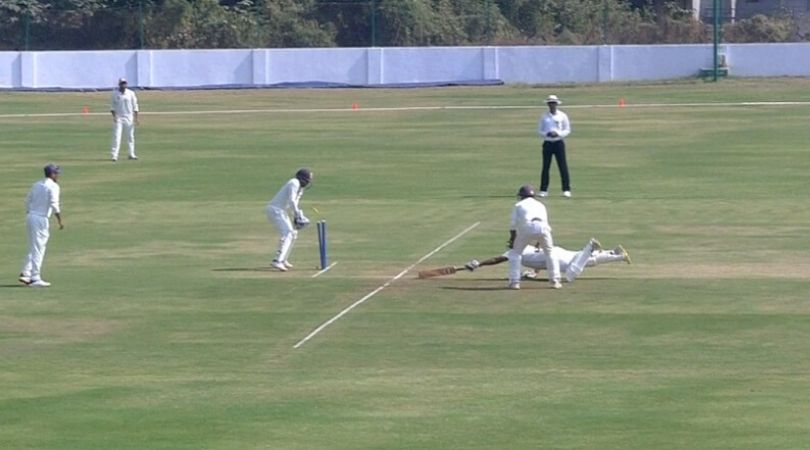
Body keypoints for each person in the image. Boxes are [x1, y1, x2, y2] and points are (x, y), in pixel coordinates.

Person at [462, 238, 631, 282]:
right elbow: (538, 255)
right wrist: (534, 273)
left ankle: (590, 246)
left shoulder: (514, 251)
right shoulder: (526, 245)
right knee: (587, 262)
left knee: (571, 275)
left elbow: (497, 259)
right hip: (556, 252)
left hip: (556, 260)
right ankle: (616, 254)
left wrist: (478, 264)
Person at [507, 184, 560, 290]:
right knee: (550, 253)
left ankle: (514, 282)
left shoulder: (518, 205)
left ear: (521, 195)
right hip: (543, 229)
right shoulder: (541, 205)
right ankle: (555, 280)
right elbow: (545, 223)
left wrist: (512, 239)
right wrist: (540, 241)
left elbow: (513, 225)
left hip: (527, 227)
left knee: (515, 254)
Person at [19, 164, 64, 287]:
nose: (58, 175)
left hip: (31, 217)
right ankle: (35, 277)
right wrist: (60, 220)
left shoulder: (37, 184)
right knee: (39, 247)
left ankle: (26, 273)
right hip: (41, 218)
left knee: (34, 246)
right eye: (57, 173)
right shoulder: (54, 186)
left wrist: (30, 212)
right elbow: (54, 204)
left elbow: (27, 201)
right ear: (52, 174)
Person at [266, 168, 313, 271]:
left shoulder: (300, 189)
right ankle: (277, 261)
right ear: (302, 179)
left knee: (293, 233)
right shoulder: (294, 182)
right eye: (308, 180)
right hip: (275, 210)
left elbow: (294, 203)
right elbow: (291, 200)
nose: (308, 182)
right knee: (288, 233)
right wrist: (297, 214)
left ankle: (283, 259)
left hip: (282, 211)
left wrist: (299, 215)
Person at [537, 94, 572, 198]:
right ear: (548, 104)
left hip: (558, 143)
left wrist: (559, 134)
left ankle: (566, 189)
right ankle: (543, 190)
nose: (552, 105)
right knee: (546, 167)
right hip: (548, 143)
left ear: (556, 104)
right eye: (550, 103)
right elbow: (539, 130)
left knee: (563, 166)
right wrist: (546, 134)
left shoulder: (562, 116)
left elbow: (567, 129)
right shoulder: (544, 116)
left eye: (553, 103)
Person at [110, 77, 139, 162]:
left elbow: (135, 106)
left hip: (129, 117)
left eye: (125, 83)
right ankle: (114, 155)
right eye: (122, 83)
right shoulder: (115, 94)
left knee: (130, 136)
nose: (123, 85)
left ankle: (131, 154)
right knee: (117, 136)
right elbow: (112, 107)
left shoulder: (131, 93)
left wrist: (136, 118)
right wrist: (114, 116)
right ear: (119, 84)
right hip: (119, 117)